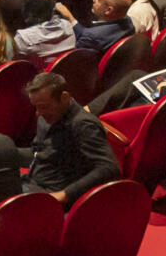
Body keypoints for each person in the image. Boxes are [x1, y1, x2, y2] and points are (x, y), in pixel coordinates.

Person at [23, 72, 119, 202]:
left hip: (52, 194)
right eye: (36, 107)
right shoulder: (47, 117)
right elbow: (38, 152)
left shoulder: (82, 125)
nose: (38, 113)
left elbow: (109, 168)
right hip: (32, 182)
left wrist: (65, 194)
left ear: (64, 97)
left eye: (44, 107)